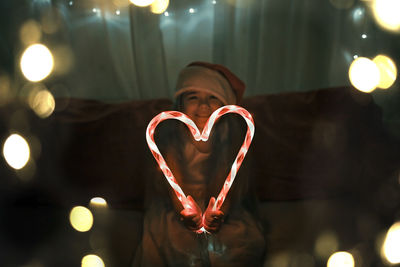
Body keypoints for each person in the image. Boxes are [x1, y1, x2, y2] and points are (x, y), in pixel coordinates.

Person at [132, 62, 266, 267]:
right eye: (193, 97)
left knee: (238, 246)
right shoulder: (172, 140)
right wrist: (188, 216)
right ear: (179, 104)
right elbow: (173, 184)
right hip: (181, 207)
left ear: (226, 106)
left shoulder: (228, 140)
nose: (203, 105)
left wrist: (215, 217)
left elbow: (225, 188)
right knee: (176, 246)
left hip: (218, 208)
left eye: (213, 97)